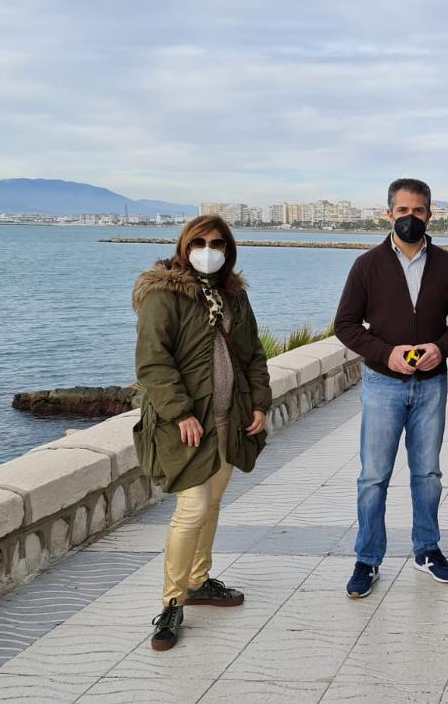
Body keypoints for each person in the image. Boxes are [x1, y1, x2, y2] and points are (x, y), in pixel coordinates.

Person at [133, 215, 272, 651]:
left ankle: (198, 580)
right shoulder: (163, 294)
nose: (208, 250)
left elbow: (254, 355)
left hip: (229, 420)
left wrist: (261, 403)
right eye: (200, 242)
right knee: (191, 508)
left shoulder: (234, 297)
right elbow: (153, 362)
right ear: (184, 245)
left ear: (229, 250)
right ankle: (172, 602)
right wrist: (180, 413)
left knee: (212, 505)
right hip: (186, 426)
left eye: (218, 243)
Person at [333, 178, 448, 597]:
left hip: (431, 385)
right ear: (388, 213)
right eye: (403, 211)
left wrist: (440, 347)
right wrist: (386, 353)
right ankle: (367, 558)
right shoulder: (367, 265)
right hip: (382, 384)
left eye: (419, 211)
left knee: (427, 474)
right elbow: (345, 325)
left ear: (430, 214)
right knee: (373, 476)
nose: (410, 218)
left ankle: (427, 550)